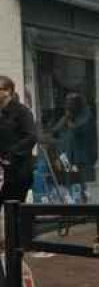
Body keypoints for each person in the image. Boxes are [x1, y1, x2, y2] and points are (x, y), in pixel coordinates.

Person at [0, 76, 37, 208]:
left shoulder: (21, 111)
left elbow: (31, 136)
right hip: (4, 172)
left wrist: (11, 154)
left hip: (18, 171)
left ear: (8, 91)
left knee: (14, 212)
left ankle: (22, 228)